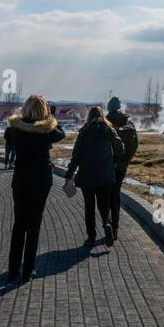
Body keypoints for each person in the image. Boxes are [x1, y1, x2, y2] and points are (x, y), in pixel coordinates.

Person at [6, 94, 65, 282]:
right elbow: (60, 133)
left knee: (19, 224)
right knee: (34, 224)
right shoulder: (47, 130)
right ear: (44, 110)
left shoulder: (15, 129)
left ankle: (13, 270)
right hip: (41, 179)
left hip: (21, 178)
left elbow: (10, 135)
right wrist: (52, 117)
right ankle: (28, 269)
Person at [67, 105, 123, 247]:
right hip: (105, 174)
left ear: (89, 116)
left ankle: (91, 236)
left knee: (89, 206)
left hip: (87, 176)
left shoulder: (84, 132)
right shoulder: (109, 129)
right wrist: (112, 162)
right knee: (104, 205)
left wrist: (69, 174)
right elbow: (120, 147)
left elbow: (76, 155)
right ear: (102, 115)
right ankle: (107, 224)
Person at [105, 96, 139, 239]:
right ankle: (116, 226)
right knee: (116, 193)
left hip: (107, 165)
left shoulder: (106, 122)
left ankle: (107, 222)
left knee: (105, 194)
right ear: (119, 107)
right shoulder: (129, 122)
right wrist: (126, 160)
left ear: (109, 107)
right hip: (122, 165)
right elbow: (135, 144)